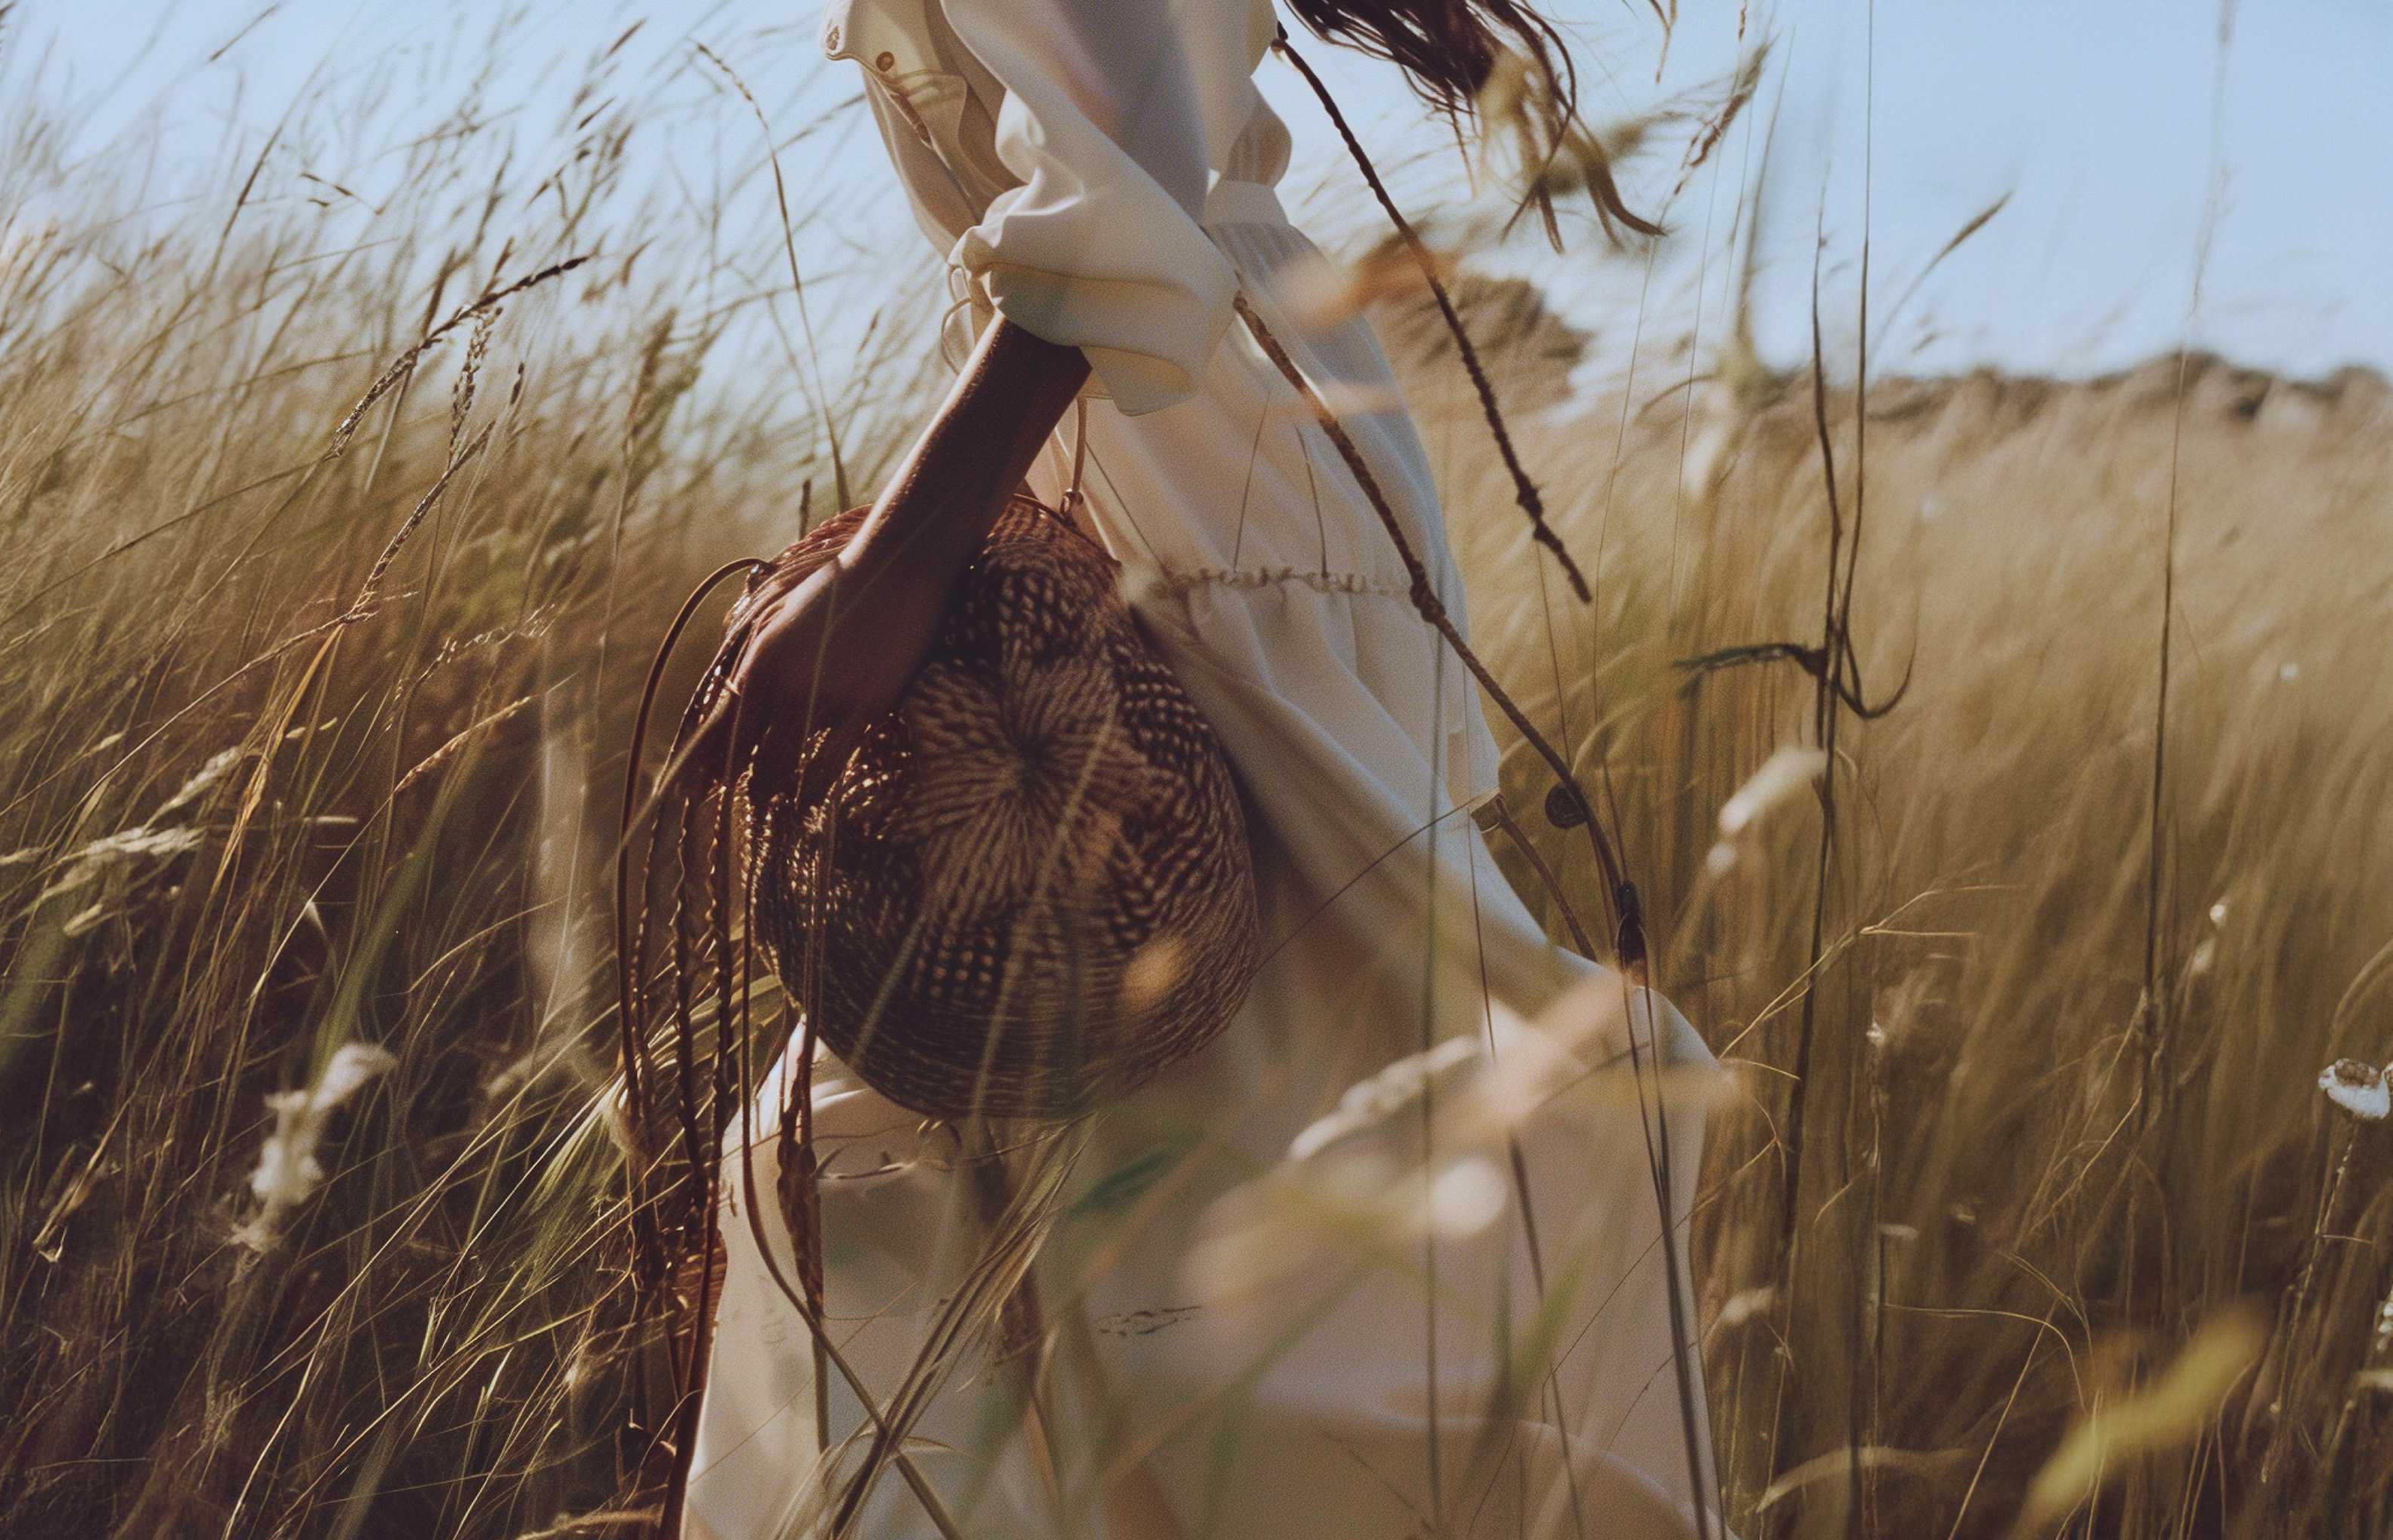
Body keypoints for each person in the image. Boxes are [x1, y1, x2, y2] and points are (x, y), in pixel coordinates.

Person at [678, 2, 1727, 1534]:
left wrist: (897, 561)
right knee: (975, 1201)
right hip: (1146, 459)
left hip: (1190, 483)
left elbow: (1133, 179)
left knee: (1243, 1268)